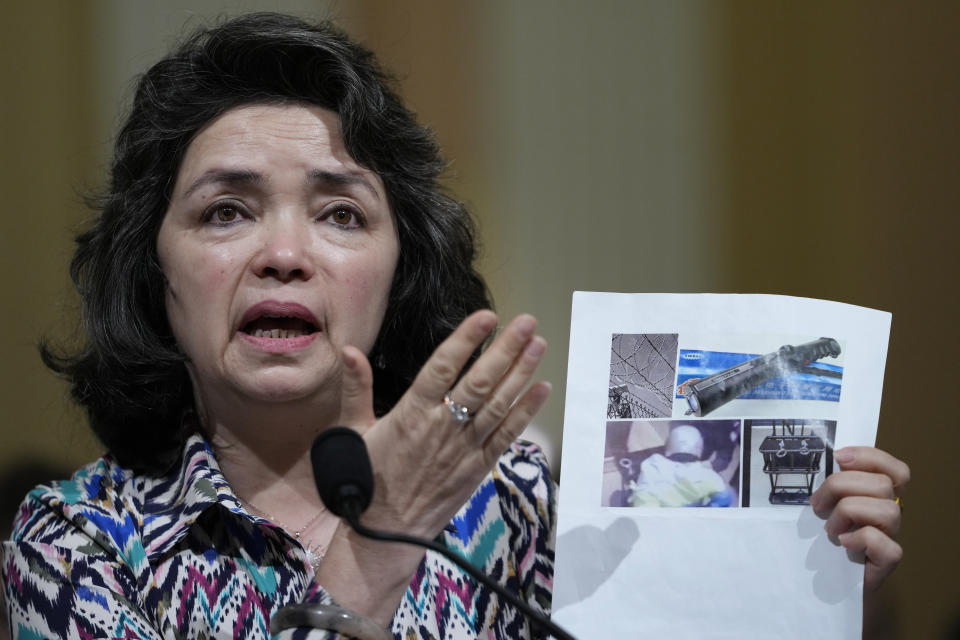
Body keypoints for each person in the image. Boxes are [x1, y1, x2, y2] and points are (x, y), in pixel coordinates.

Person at [0, 12, 908, 640]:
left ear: (399, 275)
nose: (283, 253)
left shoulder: (516, 504)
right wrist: (372, 551)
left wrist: (801, 594)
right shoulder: (74, 543)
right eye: (226, 212)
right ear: (152, 270)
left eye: (341, 214)